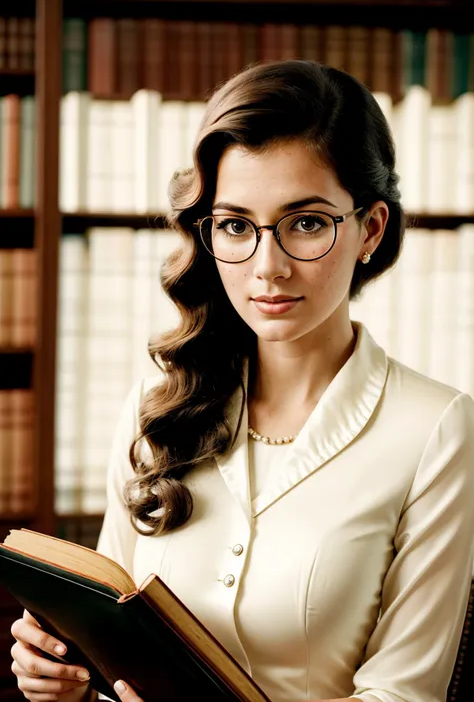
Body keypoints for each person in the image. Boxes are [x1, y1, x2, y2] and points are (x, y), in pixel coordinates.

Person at [10, 59, 474, 702]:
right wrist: (69, 681)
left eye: (306, 223)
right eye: (235, 226)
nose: (268, 268)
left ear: (370, 228)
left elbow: (405, 694)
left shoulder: (436, 430)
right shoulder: (156, 404)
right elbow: (115, 641)